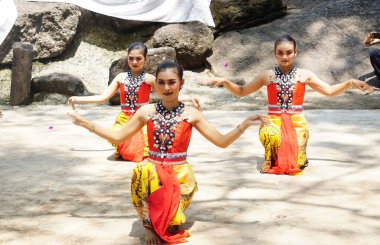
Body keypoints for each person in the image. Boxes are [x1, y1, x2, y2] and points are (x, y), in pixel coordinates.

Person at [69, 61, 269, 244]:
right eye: (162, 83)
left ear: (181, 83)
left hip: (179, 176)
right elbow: (118, 137)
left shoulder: (191, 114)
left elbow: (221, 141)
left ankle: (165, 217)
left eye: (172, 82)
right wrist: (86, 123)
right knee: (142, 171)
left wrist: (244, 125)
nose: (166, 88)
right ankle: (149, 226)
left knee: (170, 223)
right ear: (156, 83)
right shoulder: (147, 111)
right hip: (153, 172)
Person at [205, 34, 374, 175]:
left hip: (296, 122)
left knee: (298, 163)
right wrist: (225, 81)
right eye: (280, 53)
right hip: (274, 121)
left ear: (295, 53)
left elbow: (329, 91)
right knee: (269, 134)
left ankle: (299, 155)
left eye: (289, 52)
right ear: (275, 54)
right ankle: (270, 158)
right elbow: (242, 91)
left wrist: (351, 82)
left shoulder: (305, 75)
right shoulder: (267, 75)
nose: (285, 57)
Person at [68, 42, 199, 162]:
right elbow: (102, 97)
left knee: (146, 149)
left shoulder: (149, 79)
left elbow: (166, 95)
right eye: (131, 58)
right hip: (124, 119)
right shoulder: (121, 78)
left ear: (145, 59)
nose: (134, 62)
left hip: (142, 119)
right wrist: (78, 99)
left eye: (138, 58)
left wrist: (187, 99)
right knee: (120, 139)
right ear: (127, 58)